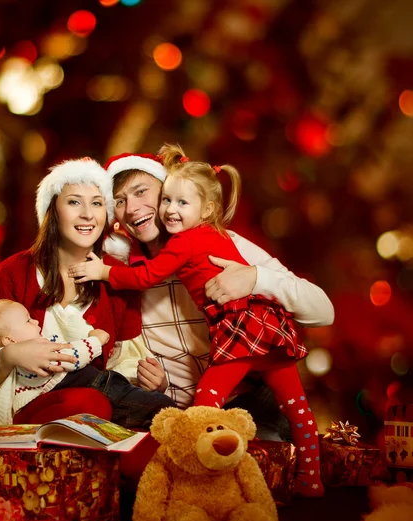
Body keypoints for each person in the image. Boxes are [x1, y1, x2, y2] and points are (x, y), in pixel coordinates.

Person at [69, 144, 330, 497]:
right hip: (176, 410)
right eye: (119, 200)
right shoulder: (124, 275)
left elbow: (323, 311)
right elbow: (114, 353)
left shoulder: (223, 243)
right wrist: (151, 384)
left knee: (256, 451)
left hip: (247, 394)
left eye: (143, 192)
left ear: (171, 192)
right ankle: (302, 481)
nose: (132, 208)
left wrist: (255, 278)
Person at [0, 157, 173, 430]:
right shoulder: (15, 272)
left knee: (107, 405)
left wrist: (155, 382)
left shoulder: (117, 275)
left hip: (104, 407)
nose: (87, 214)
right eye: (74, 202)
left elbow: (125, 363)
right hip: (37, 405)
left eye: (96, 203)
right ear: (53, 210)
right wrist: (10, 356)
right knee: (88, 403)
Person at [0, 299, 176, 429]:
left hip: (105, 386)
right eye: (28, 320)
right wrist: (96, 340)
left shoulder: (28, 360)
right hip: (100, 386)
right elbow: (72, 355)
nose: (36, 322)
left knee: (140, 408)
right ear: (9, 340)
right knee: (157, 407)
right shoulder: (36, 352)